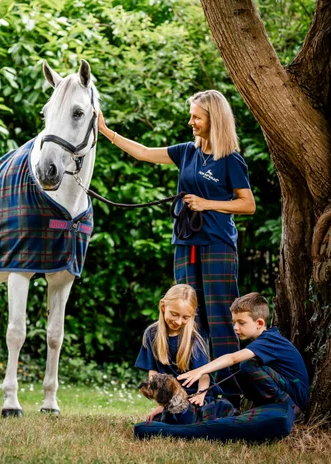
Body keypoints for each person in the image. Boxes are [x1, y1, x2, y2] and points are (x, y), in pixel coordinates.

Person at [99, 90, 255, 404]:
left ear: (214, 119)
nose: (191, 122)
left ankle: (227, 395)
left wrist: (206, 203)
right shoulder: (186, 152)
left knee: (220, 319)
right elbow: (143, 152)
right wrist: (106, 132)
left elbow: (247, 204)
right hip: (186, 242)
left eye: (197, 116)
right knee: (187, 318)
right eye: (192, 116)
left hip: (217, 245)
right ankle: (188, 393)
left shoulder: (230, 160)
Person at [176, 292, 309, 417]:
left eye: (241, 322)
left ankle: (290, 409)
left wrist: (199, 371)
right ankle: (262, 407)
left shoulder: (270, 340)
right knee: (240, 367)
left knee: (247, 365)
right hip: (288, 387)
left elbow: (232, 358)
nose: (235, 327)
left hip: (296, 394)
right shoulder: (262, 340)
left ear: (260, 323)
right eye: (234, 322)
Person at [135, 284, 212, 422]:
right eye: (174, 314)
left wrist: (200, 395)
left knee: (184, 419)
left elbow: (204, 374)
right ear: (163, 306)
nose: (178, 321)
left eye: (185, 317)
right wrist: (161, 404)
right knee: (156, 421)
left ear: (192, 315)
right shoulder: (151, 334)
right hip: (169, 397)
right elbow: (154, 374)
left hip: (194, 395)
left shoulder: (194, 339)